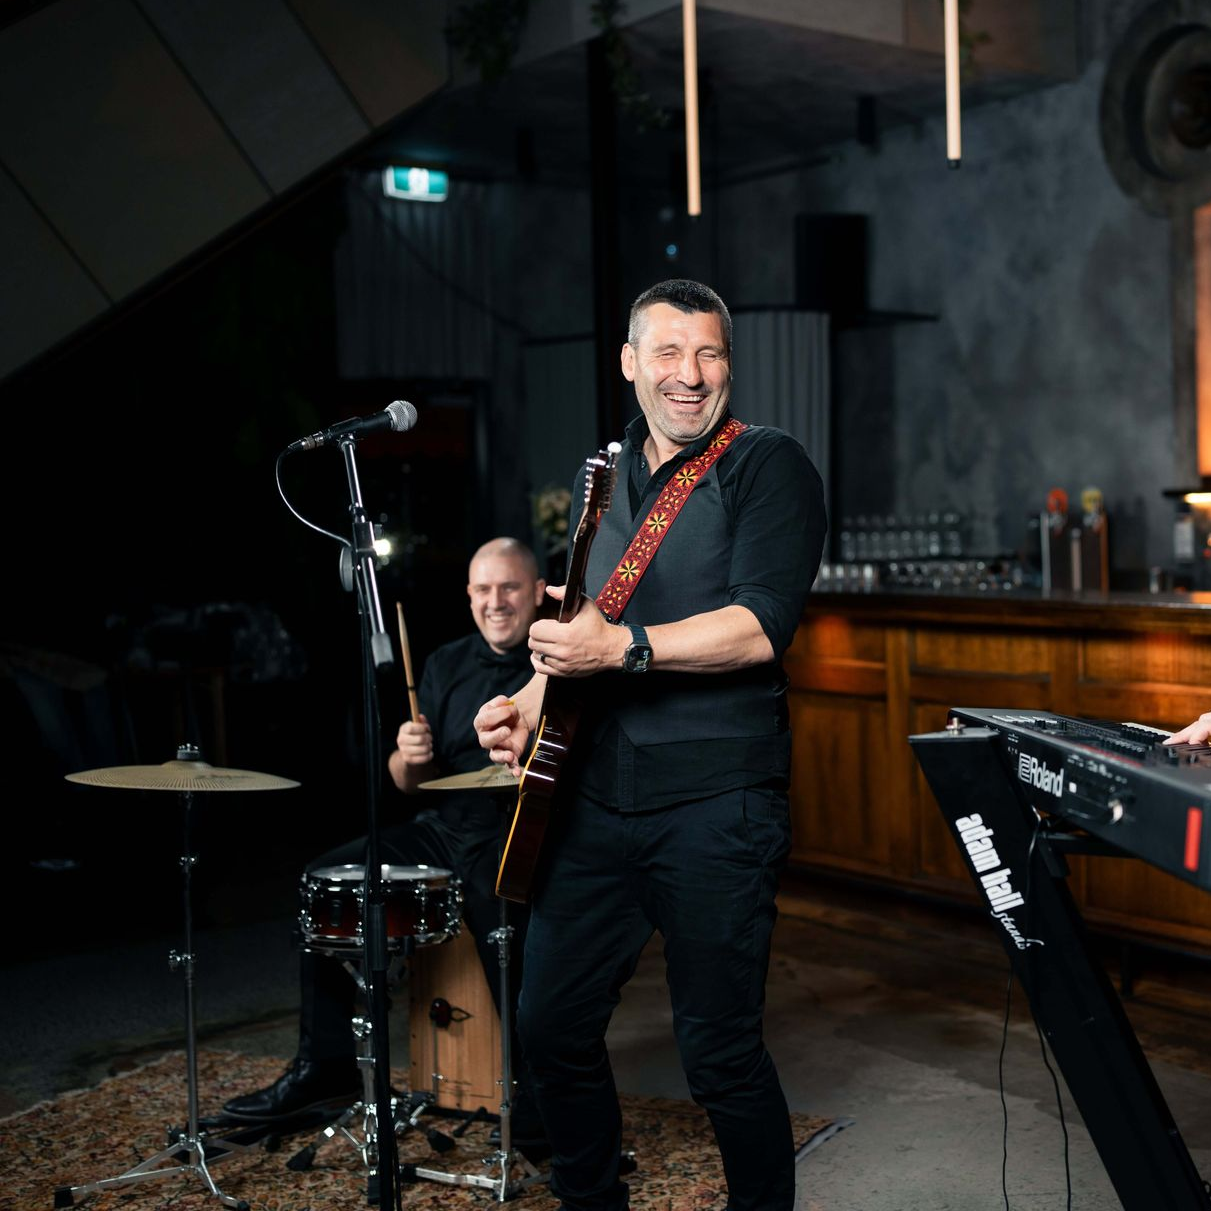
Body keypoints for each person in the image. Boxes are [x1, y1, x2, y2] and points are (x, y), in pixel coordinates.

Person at [474, 279, 827, 1211]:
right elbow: (590, 625)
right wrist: (528, 694)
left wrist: (620, 649)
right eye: (667, 352)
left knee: (717, 1053)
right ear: (629, 364)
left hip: (718, 802)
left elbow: (761, 626)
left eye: (708, 353)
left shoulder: (767, 465)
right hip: (595, 798)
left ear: (727, 367)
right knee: (549, 1023)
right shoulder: (601, 481)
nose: (690, 373)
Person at [222, 537, 545, 1134]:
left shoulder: (552, 662)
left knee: (511, 934)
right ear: (469, 596)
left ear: (536, 591)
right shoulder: (447, 662)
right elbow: (408, 785)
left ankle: (536, 1105)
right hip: (446, 831)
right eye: (483, 589)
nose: (495, 602)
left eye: (509, 588)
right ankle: (326, 1068)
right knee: (331, 882)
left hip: (520, 836)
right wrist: (409, 756)